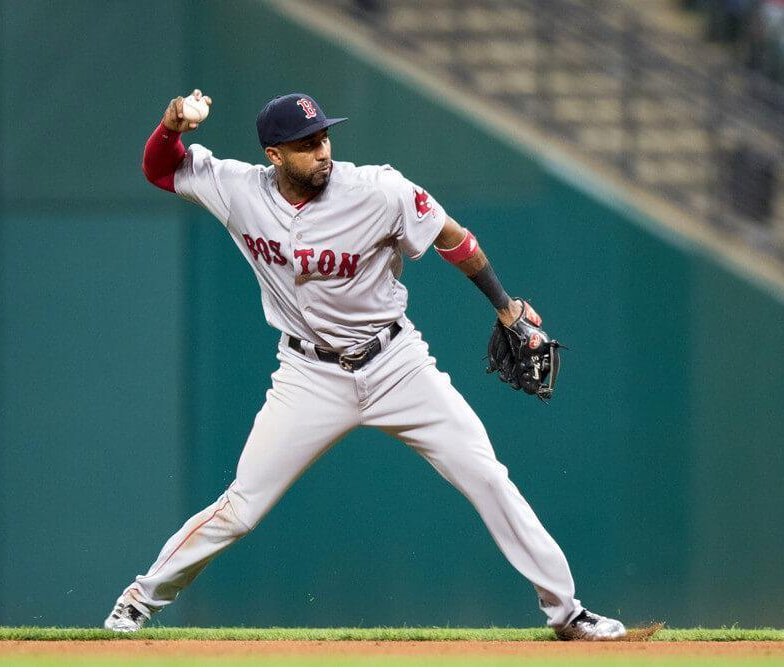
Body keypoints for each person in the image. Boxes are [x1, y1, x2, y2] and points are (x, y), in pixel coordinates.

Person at [103, 89, 628, 640]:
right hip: (308, 376)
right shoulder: (238, 190)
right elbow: (160, 170)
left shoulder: (379, 190)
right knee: (241, 507)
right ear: (274, 155)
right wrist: (170, 126)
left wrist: (505, 306)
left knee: (487, 476)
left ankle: (567, 612)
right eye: (305, 145)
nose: (322, 151)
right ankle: (139, 599)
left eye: (324, 137)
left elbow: (453, 238)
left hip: (396, 364)